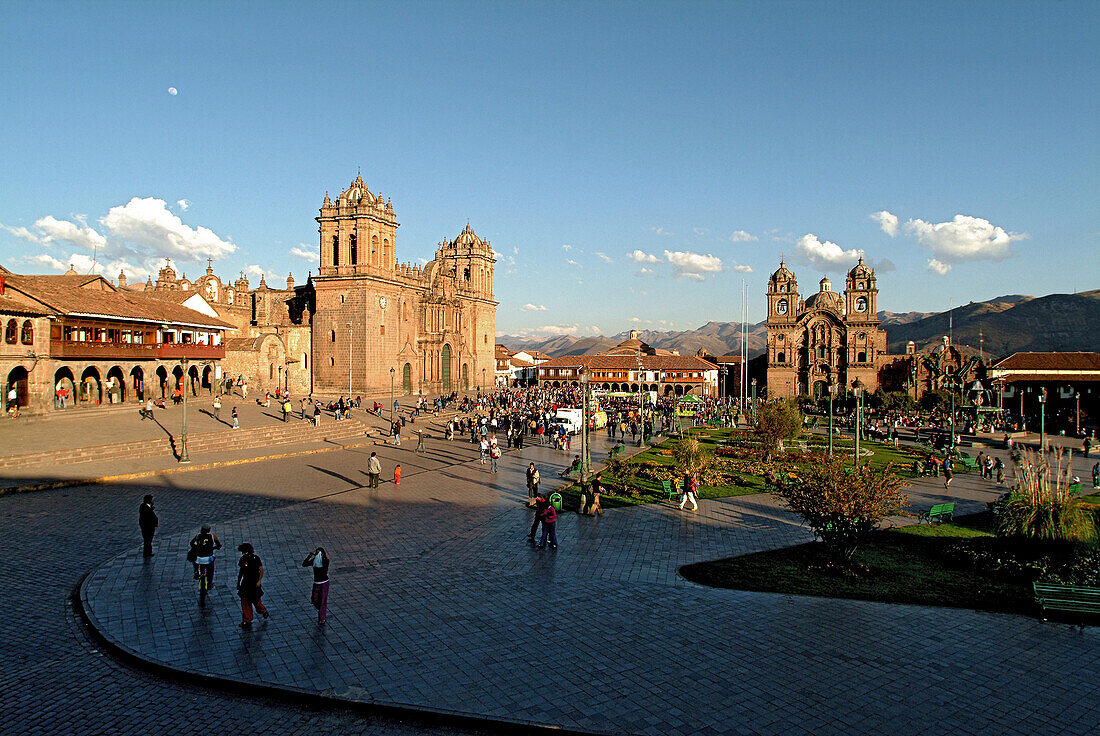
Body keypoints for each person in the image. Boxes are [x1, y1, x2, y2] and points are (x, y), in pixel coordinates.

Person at [236, 543, 268, 628]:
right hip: (245, 584)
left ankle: (263, 610)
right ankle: (247, 620)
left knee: (256, 602)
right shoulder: (242, 559)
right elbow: (241, 572)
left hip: (254, 584)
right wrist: (238, 582)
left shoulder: (256, 559)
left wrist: (259, 581)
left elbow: (261, 570)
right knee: (245, 602)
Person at [302, 547, 329, 625]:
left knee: (323, 601)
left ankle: (322, 618)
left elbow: (324, 564)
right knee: (315, 599)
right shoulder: (314, 561)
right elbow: (304, 564)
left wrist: (321, 557)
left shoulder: (325, 561)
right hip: (316, 583)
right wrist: (309, 556)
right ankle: (319, 609)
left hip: (324, 583)